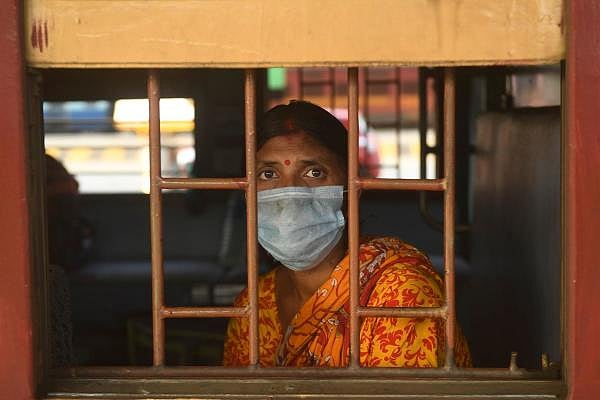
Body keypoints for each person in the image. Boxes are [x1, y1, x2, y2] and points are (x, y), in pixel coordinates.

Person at [223, 101, 471, 367]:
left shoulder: (400, 294)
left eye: (314, 172)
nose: (290, 194)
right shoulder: (255, 303)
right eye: (268, 173)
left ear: (353, 187)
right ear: (246, 191)